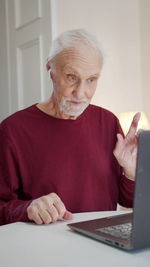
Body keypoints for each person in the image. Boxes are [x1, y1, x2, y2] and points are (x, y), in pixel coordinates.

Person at [0, 29, 140, 226]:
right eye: (72, 77)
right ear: (50, 69)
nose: (81, 93)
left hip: (104, 247)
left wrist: (131, 172)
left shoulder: (108, 122)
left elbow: (127, 201)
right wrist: (27, 208)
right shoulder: (13, 130)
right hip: (44, 251)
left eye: (91, 80)